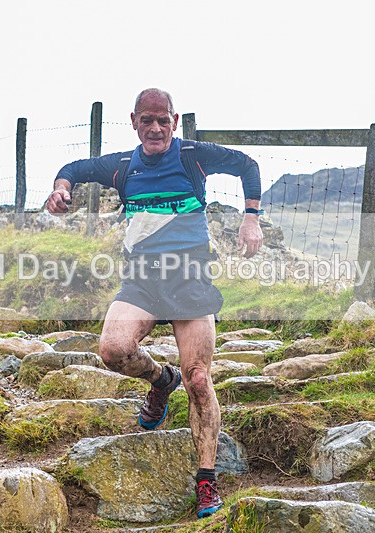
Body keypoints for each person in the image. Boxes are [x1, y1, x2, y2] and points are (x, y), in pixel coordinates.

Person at [46, 88, 263, 518]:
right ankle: (161, 382)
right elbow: (73, 168)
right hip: (142, 282)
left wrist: (251, 216)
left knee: (199, 378)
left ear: (175, 121)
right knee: (112, 350)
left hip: (191, 281)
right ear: (134, 122)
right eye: (147, 120)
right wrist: (60, 189)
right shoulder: (123, 166)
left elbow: (247, 165)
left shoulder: (193, 157)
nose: (156, 128)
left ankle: (206, 481)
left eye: (163, 120)